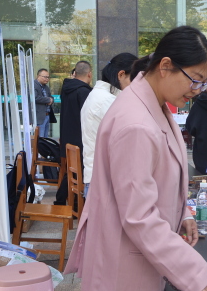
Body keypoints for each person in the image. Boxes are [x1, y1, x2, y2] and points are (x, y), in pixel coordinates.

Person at [65, 26, 207, 291]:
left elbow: (159, 177)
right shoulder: (136, 123)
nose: (198, 90)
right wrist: (196, 273)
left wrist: (183, 212)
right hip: (130, 267)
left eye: (203, 82)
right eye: (195, 79)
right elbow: (139, 216)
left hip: (143, 257)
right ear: (166, 66)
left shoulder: (152, 101)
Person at [81, 53, 138, 199]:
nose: (135, 85)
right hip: (104, 181)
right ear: (121, 75)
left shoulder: (98, 95)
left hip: (98, 177)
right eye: (134, 79)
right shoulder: (107, 100)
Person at [54, 60, 93, 205]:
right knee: (79, 171)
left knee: (72, 171)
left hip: (68, 136)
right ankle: (69, 202)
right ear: (89, 74)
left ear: (75, 73)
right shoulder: (84, 92)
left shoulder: (66, 88)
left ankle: (64, 201)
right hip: (81, 137)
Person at [34, 68, 56, 137]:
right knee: (40, 138)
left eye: (48, 77)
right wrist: (48, 100)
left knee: (45, 138)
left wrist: (51, 100)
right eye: (45, 77)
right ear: (38, 76)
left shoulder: (46, 87)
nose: (47, 79)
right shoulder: (34, 85)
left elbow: (51, 97)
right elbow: (35, 98)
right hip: (39, 116)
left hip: (47, 115)